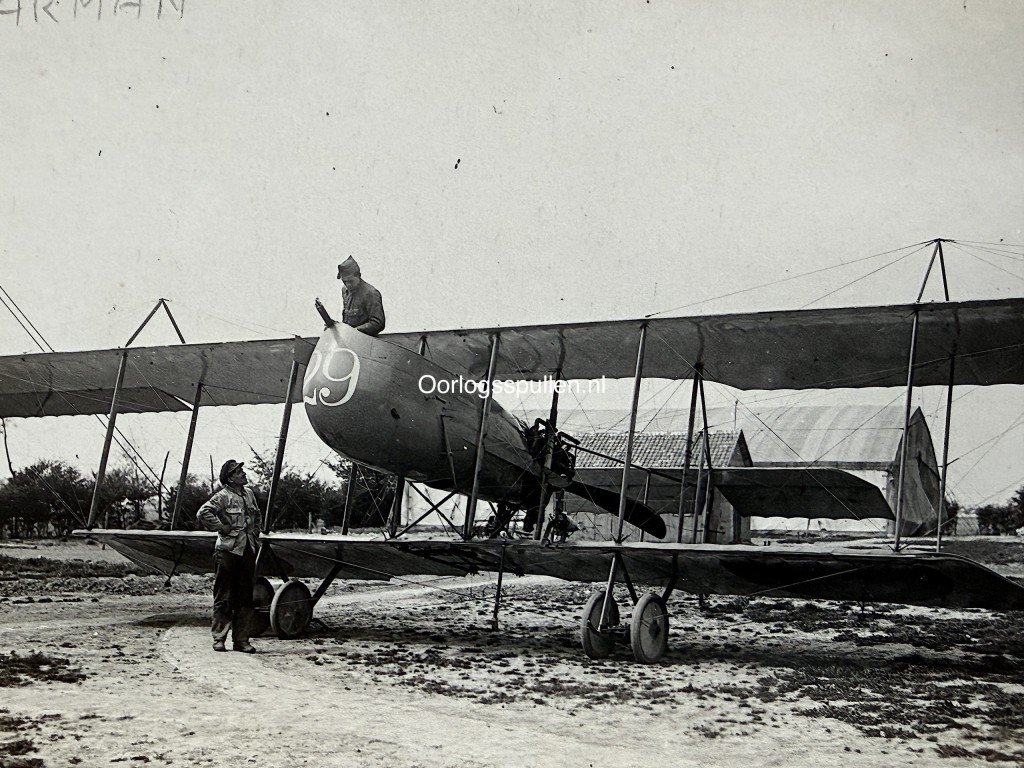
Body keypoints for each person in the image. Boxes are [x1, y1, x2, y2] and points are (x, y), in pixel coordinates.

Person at [196, 459, 261, 654]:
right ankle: (219, 639)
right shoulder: (223, 496)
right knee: (223, 596)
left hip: (247, 550)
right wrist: (221, 527)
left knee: (245, 597)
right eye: (239, 472)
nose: (244, 473)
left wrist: (255, 534)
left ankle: (241, 641)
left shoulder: (249, 494)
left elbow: (256, 516)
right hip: (227, 552)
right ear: (231, 477)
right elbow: (203, 512)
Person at [337, 255, 385, 336]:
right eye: (344, 281)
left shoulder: (371, 293)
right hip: (350, 341)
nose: (348, 285)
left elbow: (377, 323)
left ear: (358, 275)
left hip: (367, 342)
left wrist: (354, 331)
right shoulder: (345, 291)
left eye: (351, 281)